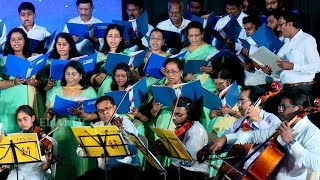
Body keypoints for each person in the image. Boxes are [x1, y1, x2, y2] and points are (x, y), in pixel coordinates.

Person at [210, 90, 320, 179]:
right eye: (279, 107)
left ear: (298, 109)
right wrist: (225, 138)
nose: (280, 111)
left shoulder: (312, 132)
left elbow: (317, 164)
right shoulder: (283, 125)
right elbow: (253, 135)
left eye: (283, 107)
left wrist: (292, 142)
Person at [45, 61, 97, 179]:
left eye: (74, 74)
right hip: (61, 132)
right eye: (67, 74)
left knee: (82, 166)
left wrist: (83, 114)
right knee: (63, 166)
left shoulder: (89, 91)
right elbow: (46, 115)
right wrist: (50, 113)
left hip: (82, 132)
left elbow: (96, 115)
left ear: (81, 75)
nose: (70, 77)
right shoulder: (56, 91)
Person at [76, 95, 140, 180]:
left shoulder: (125, 122)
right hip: (104, 170)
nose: (105, 113)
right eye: (100, 111)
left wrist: (121, 128)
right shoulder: (96, 127)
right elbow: (79, 151)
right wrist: (96, 149)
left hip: (125, 169)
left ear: (114, 107)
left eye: (107, 108)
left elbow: (133, 145)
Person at [0, 28, 44, 133]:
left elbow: (43, 81)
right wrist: (14, 82)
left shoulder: (34, 59)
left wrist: (35, 82)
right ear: (9, 42)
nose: (16, 41)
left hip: (32, 100)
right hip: (10, 103)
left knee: (33, 135)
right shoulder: (4, 61)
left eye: (19, 39)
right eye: (13, 39)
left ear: (25, 41)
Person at [276, 11, 320, 100]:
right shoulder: (286, 42)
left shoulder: (307, 40)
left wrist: (293, 66)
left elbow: (316, 67)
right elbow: (279, 66)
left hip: (301, 90)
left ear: (290, 24)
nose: (278, 29)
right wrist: (269, 70)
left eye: (280, 25)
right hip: (286, 89)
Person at [6, 105, 56, 180]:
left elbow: (44, 168)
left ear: (33, 118)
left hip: (36, 173)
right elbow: (10, 158)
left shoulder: (46, 140)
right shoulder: (15, 138)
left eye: (25, 119)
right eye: (19, 120)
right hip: (17, 173)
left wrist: (48, 162)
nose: (22, 123)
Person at [166, 97, 208, 180]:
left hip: (194, 172)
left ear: (189, 114)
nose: (173, 117)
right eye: (173, 113)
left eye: (178, 114)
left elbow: (189, 161)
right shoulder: (180, 126)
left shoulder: (196, 131)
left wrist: (169, 152)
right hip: (181, 168)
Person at [90, 24, 131, 96]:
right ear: (106, 38)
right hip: (104, 91)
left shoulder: (128, 54)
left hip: (124, 90)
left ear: (121, 38)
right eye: (110, 36)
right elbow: (94, 82)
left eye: (116, 36)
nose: (113, 39)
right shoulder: (98, 57)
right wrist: (106, 70)